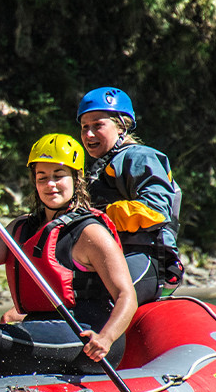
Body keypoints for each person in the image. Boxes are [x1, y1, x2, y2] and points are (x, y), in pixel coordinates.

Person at [0, 134, 138, 377]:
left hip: (89, 338)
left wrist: (106, 338)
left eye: (59, 176)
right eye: (42, 178)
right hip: (44, 327)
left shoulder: (90, 233)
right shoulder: (22, 227)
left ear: (76, 179)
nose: (50, 185)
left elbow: (126, 296)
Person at [78, 86, 184, 302]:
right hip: (109, 258)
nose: (89, 134)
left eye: (98, 125)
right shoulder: (96, 168)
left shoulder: (138, 157)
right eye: (84, 127)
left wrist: (96, 217)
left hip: (147, 258)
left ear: (121, 127)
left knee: (99, 306)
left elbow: (155, 210)